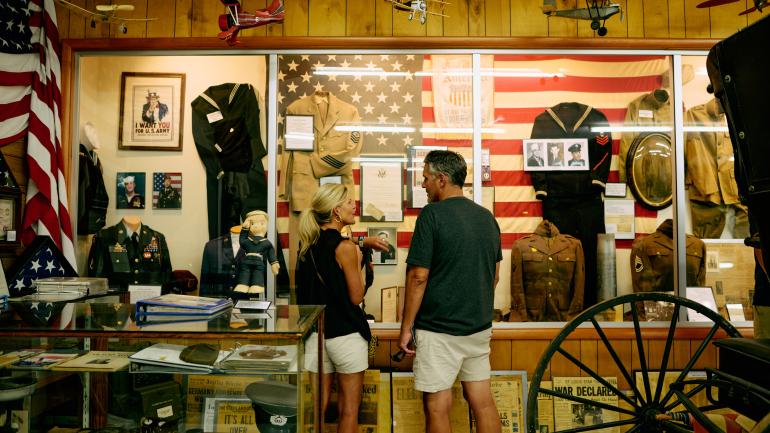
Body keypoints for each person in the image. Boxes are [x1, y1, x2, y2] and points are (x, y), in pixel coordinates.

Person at [398, 150, 502, 433]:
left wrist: (406, 327)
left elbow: (419, 277)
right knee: (482, 403)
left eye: (426, 178)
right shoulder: (486, 217)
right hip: (478, 328)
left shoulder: (431, 215)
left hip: (438, 330)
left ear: (442, 179)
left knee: (437, 405)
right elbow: (494, 276)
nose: (423, 185)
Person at [294, 184, 388, 433]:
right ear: (336, 211)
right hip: (345, 334)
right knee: (349, 408)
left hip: (315, 334)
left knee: (315, 409)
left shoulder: (306, 246)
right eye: (348, 202)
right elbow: (356, 297)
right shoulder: (347, 249)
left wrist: (360, 242)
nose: (353, 205)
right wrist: (361, 265)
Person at [234, 210, 279, 295]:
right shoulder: (247, 241)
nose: (257, 226)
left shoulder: (266, 242)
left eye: (262, 223)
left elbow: (271, 253)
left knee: (258, 274)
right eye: (253, 223)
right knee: (245, 273)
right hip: (246, 262)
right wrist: (244, 229)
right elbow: (242, 241)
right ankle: (243, 285)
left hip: (258, 263)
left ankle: (257, 285)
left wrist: (274, 263)